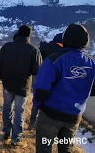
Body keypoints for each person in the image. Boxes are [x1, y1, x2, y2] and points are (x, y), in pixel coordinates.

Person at [33, 24, 95, 153]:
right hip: (74, 118)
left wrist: (38, 105)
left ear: (66, 39)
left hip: (50, 115)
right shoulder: (92, 63)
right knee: (65, 149)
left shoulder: (54, 59)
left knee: (44, 148)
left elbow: (41, 89)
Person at [0, 25, 42, 147]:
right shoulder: (33, 50)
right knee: (19, 112)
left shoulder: (7, 46)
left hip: (8, 83)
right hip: (23, 86)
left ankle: (6, 131)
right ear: (29, 36)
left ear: (18, 33)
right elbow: (37, 71)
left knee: (7, 108)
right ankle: (16, 139)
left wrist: (3, 77)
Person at [28, 33, 64, 130]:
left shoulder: (43, 48)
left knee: (37, 100)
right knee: (48, 103)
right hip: (53, 81)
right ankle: (41, 125)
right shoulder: (61, 53)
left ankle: (32, 123)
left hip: (39, 77)